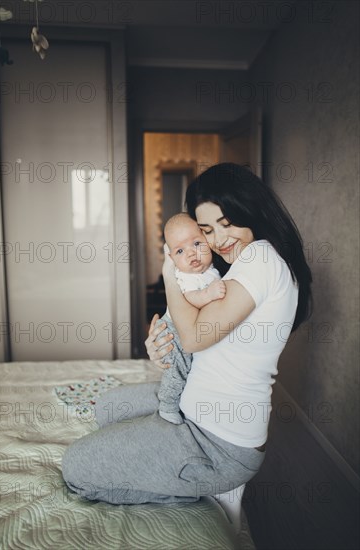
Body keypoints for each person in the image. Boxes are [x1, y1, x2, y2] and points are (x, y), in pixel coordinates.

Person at [62, 163, 312, 530]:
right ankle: (170, 464)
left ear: (251, 210)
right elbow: (192, 339)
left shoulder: (260, 258)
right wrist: (161, 344)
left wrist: (169, 278)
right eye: (207, 230)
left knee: (76, 468)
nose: (219, 239)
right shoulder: (236, 266)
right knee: (108, 407)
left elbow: (195, 335)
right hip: (193, 404)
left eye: (227, 223)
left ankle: (197, 496)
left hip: (216, 443)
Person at [156, 212, 225, 425]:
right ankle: (167, 405)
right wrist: (208, 295)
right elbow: (189, 298)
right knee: (178, 367)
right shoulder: (184, 277)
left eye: (196, 243)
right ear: (172, 258)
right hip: (173, 328)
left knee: (188, 368)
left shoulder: (211, 271)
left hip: (188, 328)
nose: (191, 254)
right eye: (179, 251)